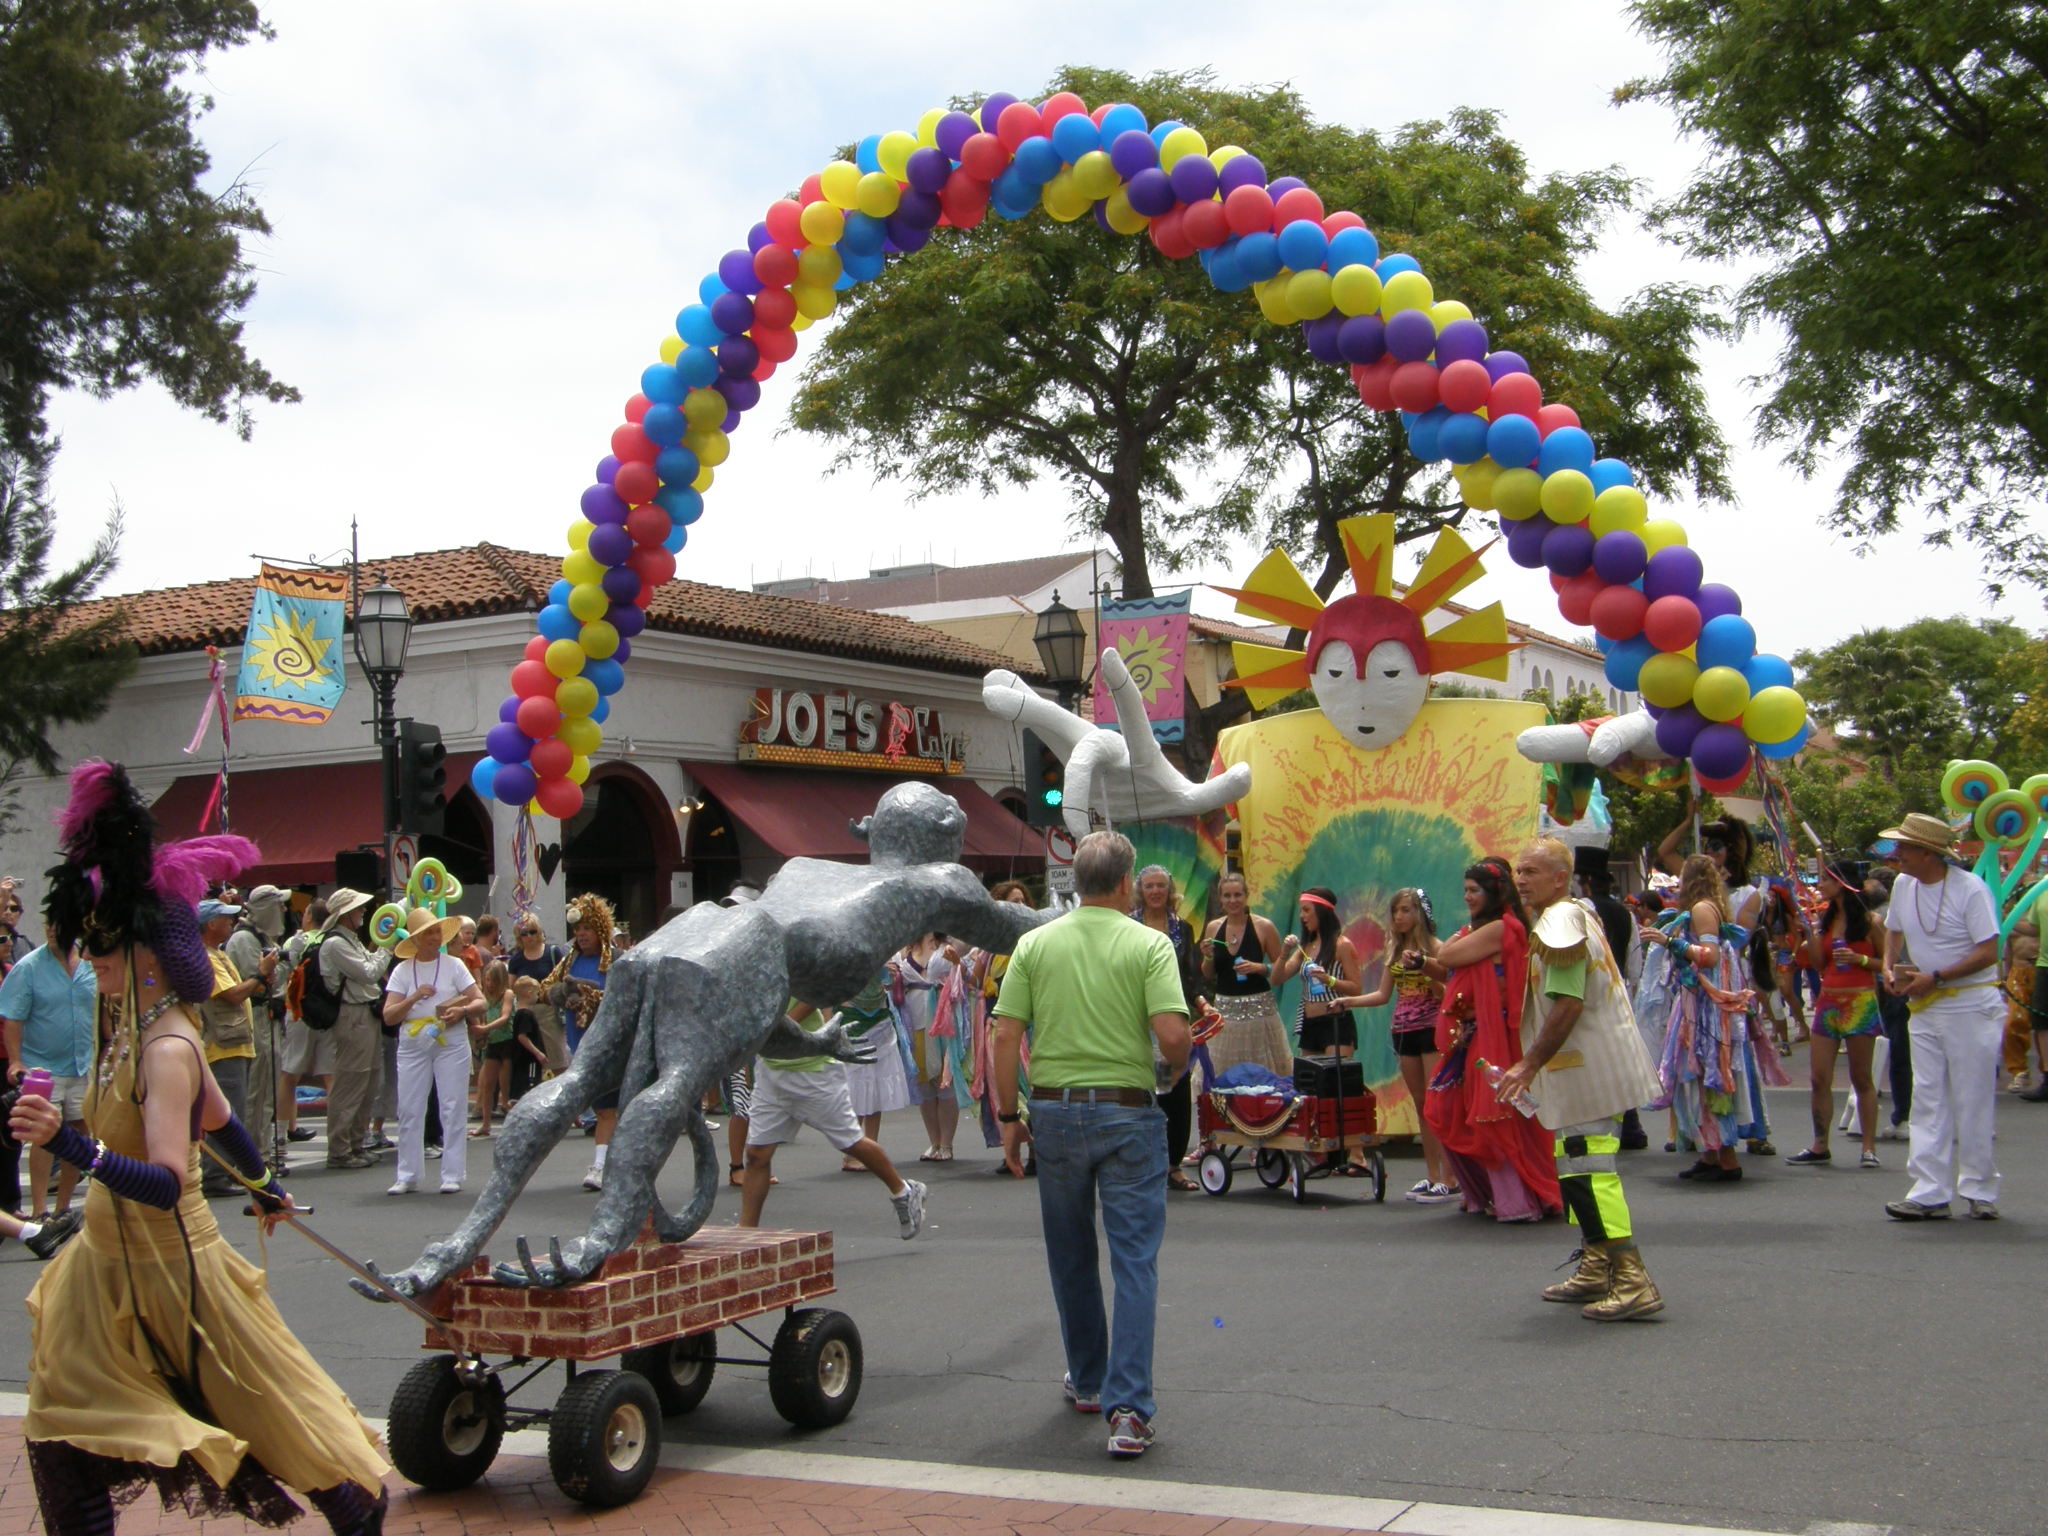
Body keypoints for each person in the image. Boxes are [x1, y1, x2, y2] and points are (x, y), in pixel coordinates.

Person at [9, 760, 388, 1536]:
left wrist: (69, 1146)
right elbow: (222, 1120)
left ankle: (356, 1515)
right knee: (60, 1430)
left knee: (272, 1420)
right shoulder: (126, 1031)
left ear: (148, 955)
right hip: (103, 1273)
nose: (94, 957)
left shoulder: (165, 1051)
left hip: (173, 1272)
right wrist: (262, 1183)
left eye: (107, 946)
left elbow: (166, 1177)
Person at [993, 830, 1191, 1459]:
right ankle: (1128, 1408)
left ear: (1076, 882)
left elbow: (1004, 1036)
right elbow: (1171, 1035)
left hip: (1053, 1109)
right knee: (1135, 1259)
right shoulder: (1150, 944)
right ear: (1128, 883)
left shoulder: (1034, 943)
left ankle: (1087, 1376)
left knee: (1071, 1254)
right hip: (1128, 1111)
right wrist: (1178, 1057)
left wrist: (1007, 1115)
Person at [1496, 838, 1665, 1321]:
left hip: (1586, 1070)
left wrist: (1528, 1063)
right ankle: (1597, 1264)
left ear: (1559, 878)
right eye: (1519, 871)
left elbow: (1569, 1004)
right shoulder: (1567, 916)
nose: (1521, 879)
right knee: (1575, 1170)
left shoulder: (1561, 922)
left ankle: (1632, 1278)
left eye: (1531, 871)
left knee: (1592, 1174)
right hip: (1580, 1070)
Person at [1878, 813, 2004, 1221]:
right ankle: (1929, 1190)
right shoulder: (1903, 885)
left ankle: (1979, 1188)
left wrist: (1937, 977)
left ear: (1929, 854)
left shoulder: (1970, 890)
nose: (1897, 855)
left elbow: (1989, 952)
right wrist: (1888, 964)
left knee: (1971, 1098)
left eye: (1905, 848)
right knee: (1927, 1099)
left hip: (1970, 1004)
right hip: (1926, 1006)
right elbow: (1893, 930)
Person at [1419, 863, 1559, 1221]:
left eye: (1474, 891)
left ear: (1494, 893)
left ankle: (1515, 1202)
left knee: (1492, 1116)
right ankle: (1482, 1194)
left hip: (1492, 1037)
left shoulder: (1499, 928)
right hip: (1472, 1036)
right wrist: (1424, 961)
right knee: (1453, 1108)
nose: (1467, 897)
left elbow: (1448, 956)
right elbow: (1448, 969)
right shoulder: (1486, 930)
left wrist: (1455, 938)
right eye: (1465, 890)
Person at [737, 994, 927, 1239]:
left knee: (851, 1142)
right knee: (756, 1154)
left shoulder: (788, 964)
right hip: (772, 1071)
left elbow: (812, 996)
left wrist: (778, 1031)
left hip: (814, 1070)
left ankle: (904, 1191)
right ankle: (745, 1234)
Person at [1650, 856, 1767, 1183]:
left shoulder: (1702, 909)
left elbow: (1709, 956)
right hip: (1699, 1004)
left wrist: (1670, 941)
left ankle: (1725, 1157)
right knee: (1696, 1077)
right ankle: (1711, 1153)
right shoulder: (1706, 907)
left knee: (1708, 1074)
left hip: (1707, 1012)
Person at [1346, 887, 1450, 1198]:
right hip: (1403, 1031)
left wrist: (1423, 968)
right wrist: (1347, 1001)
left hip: (1432, 1028)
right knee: (1421, 1105)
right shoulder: (1395, 950)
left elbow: (1447, 991)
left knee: (1437, 1104)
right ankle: (1432, 1174)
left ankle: (1452, 1177)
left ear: (1420, 914)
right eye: (1395, 911)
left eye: (1406, 910)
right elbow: (1382, 995)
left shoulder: (1436, 948)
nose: (1399, 917)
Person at [1785, 865, 1884, 1169]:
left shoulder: (1870, 922)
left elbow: (1885, 963)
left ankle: (1868, 1147)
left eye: (1827, 879)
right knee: (1819, 1077)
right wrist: (1811, 931)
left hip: (1860, 1000)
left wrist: (1860, 958)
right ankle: (1820, 1144)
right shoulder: (1825, 922)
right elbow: (1817, 963)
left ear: (1844, 884)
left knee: (1861, 1077)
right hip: (1829, 1001)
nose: (1822, 884)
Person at [1, 921, 98, 1225]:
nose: (54, 930)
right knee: (44, 1135)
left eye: (61, 924)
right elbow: (13, 1019)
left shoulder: (89, 964)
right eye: (49, 924)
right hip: (42, 1066)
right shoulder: (28, 966)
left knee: (80, 1134)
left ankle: (64, 1207)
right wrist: (16, 1062)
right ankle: (40, 1210)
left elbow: (102, 1006)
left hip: (82, 1063)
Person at [383, 907, 482, 1196]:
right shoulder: (403, 970)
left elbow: (479, 1001)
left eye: (437, 931)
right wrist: (414, 996)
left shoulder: (454, 965)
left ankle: (452, 1173)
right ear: (415, 939)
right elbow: (389, 1015)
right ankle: (408, 1174)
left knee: (452, 1106)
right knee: (410, 1108)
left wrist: (460, 1010)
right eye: (428, 933)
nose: (434, 937)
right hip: (414, 1041)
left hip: (449, 1038)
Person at [1132, 866, 1205, 1190]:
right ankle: (1144, 1164)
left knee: (1173, 1092)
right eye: (1150, 886)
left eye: (1162, 886)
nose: (1156, 891)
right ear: (1140, 890)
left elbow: (1190, 976)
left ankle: (1174, 1165)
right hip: (1136, 1023)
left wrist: (1202, 1003)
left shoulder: (1183, 929)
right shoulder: (1127, 927)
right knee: (1143, 1095)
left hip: (1172, 1024)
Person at [545, 894, 616, 1190]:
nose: (581, 934)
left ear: (599, 927)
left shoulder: (616, 960)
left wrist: (591, 995)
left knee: (606, 1109)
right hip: (578, 1044)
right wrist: (561, 994)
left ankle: (600, 1166)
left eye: (587, 927)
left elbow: (623, 1000)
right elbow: (545, 989)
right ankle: (613, 1161)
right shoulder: (568, 960)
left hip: (609, 1046)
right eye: (578, 929)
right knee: (599, 1109)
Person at [317, 889, 390, 1170]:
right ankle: (339, 1148)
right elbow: (369, 972)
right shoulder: (336, 944)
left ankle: (355, 1143)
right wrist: (386, 949)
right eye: (358, 909)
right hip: (352, 1014)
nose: (363, 912)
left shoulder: (350, 941)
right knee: (351, 1080)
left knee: (369, 1080)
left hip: (365, 1013)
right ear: (345, 914)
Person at [197, 899, 264, 1198]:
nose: (231, 923)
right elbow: (232, 995)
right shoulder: (206, 957)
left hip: (232, 1043)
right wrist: (259, 976)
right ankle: (215, 1175)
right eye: (225, 919)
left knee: (233, 1109)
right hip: (222, 1045)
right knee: (226, 1112)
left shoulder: (215, 954)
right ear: (211, 924)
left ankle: (224, 1171)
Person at [1197, 871, 1291, 1078]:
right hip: (1226, 1013)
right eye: (1227, 896)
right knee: (1222, 1076)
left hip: (1260, 1014)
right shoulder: (1214, 928)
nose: (1233, 901)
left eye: (1238, 895)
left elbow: (1281, 969)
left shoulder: (1264, 927)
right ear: (1220, 899)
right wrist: (1208, 957)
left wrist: (1260, 968)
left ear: (1247, 896)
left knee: (1264, 1076)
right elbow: (1208, 974)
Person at [890, 932, 962, 1161]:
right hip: (915, 1019)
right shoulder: (905, 949)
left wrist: (955, 963)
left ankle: (947, 1143)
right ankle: (934, 1141)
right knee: (924, 1086)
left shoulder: (949, 944)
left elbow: (962, 973)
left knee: (944, 1083)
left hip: (943, 1020)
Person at [275, 898, 330, 1145]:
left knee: (289, 1074)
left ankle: (284, 1130)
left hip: (297, 1013)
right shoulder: (332, 941)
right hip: (328, 1014)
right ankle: (339, 1135)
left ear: (309, 917)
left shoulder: (293, 942)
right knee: (331, 1074)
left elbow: (282, 978)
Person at [1865, 868, 1913, 1134]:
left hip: (1899, 987)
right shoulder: (1896, 912)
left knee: (1901, 1053)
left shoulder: (1879, 917)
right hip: (1903, 984)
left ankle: (1903, 1115)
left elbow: (1879, 957)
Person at [505, 913, 568, 1073]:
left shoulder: (553, 953)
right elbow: (511, 988)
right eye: (524, 933)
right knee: (530, 1064)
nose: (529, 937)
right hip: (526, 1013)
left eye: (532, 931)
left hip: (549, 1011)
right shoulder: (516, 960)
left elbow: (564, 979)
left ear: (539, 931)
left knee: (558, 1060)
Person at [470, 961, 516, 1138]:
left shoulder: (507, 994)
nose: (490, 984)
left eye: (493, 981)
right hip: (493, 1043)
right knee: (487, 1085)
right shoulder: (484, 996)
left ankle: (510, 1124)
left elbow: (505, 1017)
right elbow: (480, 1017)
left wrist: (485, 1029)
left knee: (506, 1091)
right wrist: (480, 1031)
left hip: (507, 1042)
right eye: (487, 980)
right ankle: (486, 1124)